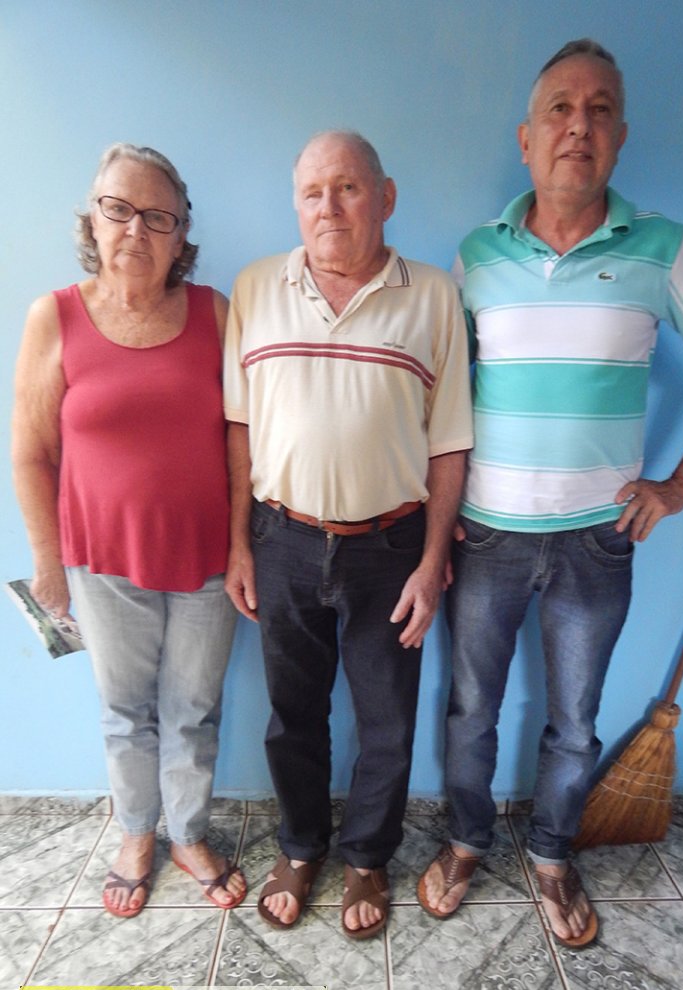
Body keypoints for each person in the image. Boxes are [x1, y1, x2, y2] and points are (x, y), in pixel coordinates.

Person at [417, 40, 683, 947]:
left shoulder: (662, 248)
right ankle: (463, 840)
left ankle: (552, 857)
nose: (581, 125)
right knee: (471, 709)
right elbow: (443, 392)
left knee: (574, 723)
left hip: (595, 543)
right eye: (562, 110)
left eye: (600, 109)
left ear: (620, 137)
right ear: (527, 139)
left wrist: (680, 485)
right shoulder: (476, 256)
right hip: (485, 536)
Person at [224, 130, 473, 939]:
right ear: (295, 204)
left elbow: (449, 441)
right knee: (292, 713)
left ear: (386, 197)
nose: (328, 207)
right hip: (284, 540)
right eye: (311, 192)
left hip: (391, 548)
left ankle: (368, 855)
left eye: (349, 188)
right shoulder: (256, 287)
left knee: (386, 720)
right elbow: (237, 430)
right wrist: (238, 545)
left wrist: (434, 562)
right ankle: (302, 846)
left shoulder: (433, 294)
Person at [12, 143, 246, 919]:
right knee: (124, 710)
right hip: (101, 563)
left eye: (158, 216)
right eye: (119, 209)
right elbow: (32, 452)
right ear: (93, 217)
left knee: (193, 710)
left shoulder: (215, 314)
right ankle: (136, 832)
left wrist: (244, 542)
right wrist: (49, 564)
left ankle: (187, 832)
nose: (135, 231)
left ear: (181, 234)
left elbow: (242, 444)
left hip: (208, 560)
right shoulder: (56, 317)